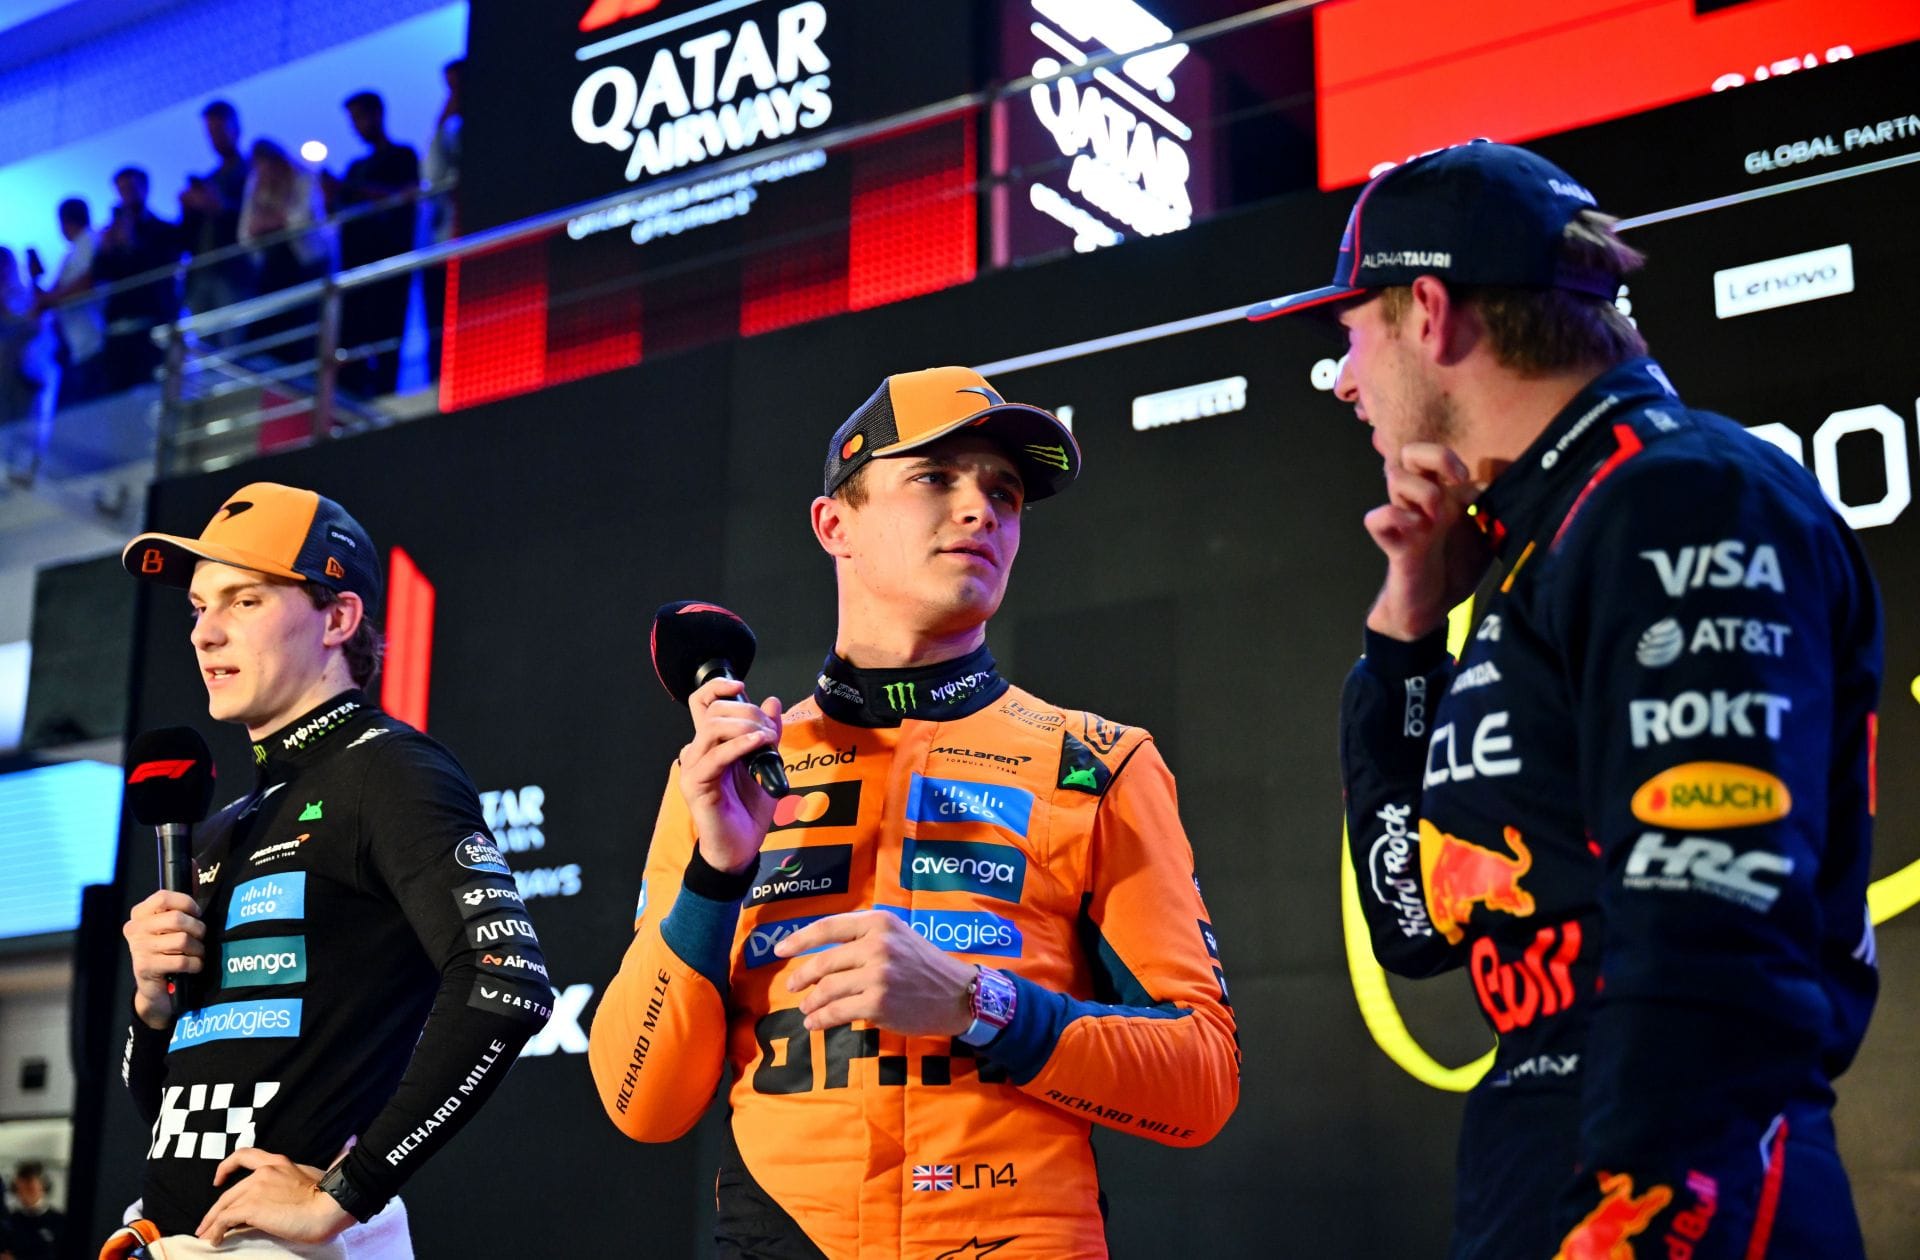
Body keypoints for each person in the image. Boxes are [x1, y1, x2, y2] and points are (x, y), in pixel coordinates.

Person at [1250, 140, 1882, 1258]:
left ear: (1432, 313)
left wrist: (1639, 1208)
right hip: (1548, 1156)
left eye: (1352, 333)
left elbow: (1712, 921)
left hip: (1675, 1179)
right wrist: (1405, 634)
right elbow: (1416, 924)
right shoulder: (1535, 542)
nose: (1344, 379)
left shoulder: (1678, 493)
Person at [588, 367, 1240, 1257]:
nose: (982, 510)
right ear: (834, 524)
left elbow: (1202, 1082)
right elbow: (642, 1104)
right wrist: (715, 874)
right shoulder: (730, 771)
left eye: (1004, 492)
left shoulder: (1099, 761)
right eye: (935, 477)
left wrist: (980, 1003)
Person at [118, 482, 551, 1257]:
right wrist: (151, 1008)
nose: (205, 635)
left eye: (243, 600)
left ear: (339, 618)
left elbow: (507, 980)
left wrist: (344, 1193)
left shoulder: (389, 771)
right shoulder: (220, 831)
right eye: (197, 608)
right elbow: (163, 1112)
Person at [323, 92, 419, 397]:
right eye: (352, 120)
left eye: (359, 117)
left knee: (387, 330)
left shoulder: (402, 155)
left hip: (390, 258)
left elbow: (404, 196)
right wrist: (328, 194)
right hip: (355, 266)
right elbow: (335, 211)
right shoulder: (354, 167)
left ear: (377, 114)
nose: (356, 126)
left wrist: (349, 188)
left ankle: (386, 395)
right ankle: (350, 396)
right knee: (351, 335)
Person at [91, 167, 184, 393]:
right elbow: (99, 275)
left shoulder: (164, 230)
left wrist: (132, 243)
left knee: (157, 389)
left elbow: (162, 268)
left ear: (145, 188)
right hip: (118, 330)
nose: (127, 195)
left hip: (154, 324)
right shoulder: (113, 236)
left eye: (130, 188)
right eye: (121, 190)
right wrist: (106, 248)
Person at [239, 140, 332, 362]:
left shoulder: (302, 176)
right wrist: (277, 221)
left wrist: (269, 222)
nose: (265, 172)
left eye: (268, 164)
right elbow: (246, 233)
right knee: (267, 330)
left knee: (304, 331)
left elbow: (301, 222)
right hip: (273, 269)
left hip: (307, 265)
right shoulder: (255, 184)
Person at [179, 101, 255, 327]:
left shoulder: (252, 172)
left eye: (220, 130)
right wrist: (189, 209)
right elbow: (186, 237)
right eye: (210, 132)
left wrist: (219, 207)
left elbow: (253, 218)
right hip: (201, 275)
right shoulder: (209, 180)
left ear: (236, 129)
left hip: (235, 272)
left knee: (236, 345)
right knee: (207, 351)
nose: (215, 138)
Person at [29, 198, 108, 407]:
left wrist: (50, 298)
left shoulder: (89, 241)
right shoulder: (72, 253)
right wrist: (37, 281)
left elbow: (87, 282)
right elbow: (50, 297)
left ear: (65, 221)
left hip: (91, 339)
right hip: (77, 344)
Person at [420, 59, 462, 380]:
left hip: (481, 229)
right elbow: (432, 176)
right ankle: (438, 375)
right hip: (446, 235)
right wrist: (439, 122)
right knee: (438, 310)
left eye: (458, 84)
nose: (453, 92)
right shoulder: (447, 129)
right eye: (449, 86)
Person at [4, 1162, 65, 1260]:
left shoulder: (59, 1221)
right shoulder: (11, 1221)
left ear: (43, 1186)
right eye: (20, 1187)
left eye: (29, 1186)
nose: (24, 1192)